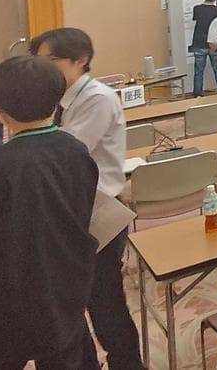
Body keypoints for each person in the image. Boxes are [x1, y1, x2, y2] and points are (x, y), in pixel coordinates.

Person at [0, 55, 98, 370]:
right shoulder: (76, 151)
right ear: (57, 99)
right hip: (64, 287)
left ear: (0, 108)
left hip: (3, 298)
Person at [29, 28, 144, 370]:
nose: (42, 69)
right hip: (71, 209)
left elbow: (66, 152)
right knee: (69, 300)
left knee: (105, 301)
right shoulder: (61, 98)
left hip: (98, 210)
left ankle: (128, 364)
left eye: (50, 61)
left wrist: (26, 126)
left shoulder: (97, 98)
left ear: (81, 60)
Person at [189, 0, 217, 97]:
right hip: (213, 43)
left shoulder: (197, 9)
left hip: (199, 42)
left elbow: (195, 19)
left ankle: (197, 92)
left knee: (198, 70)